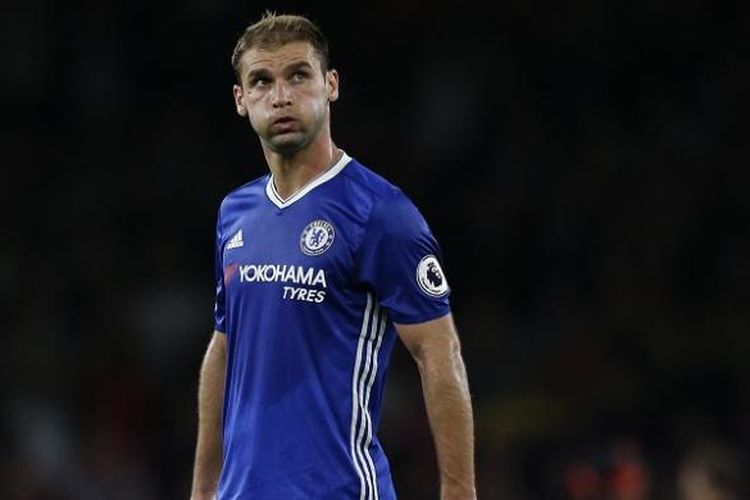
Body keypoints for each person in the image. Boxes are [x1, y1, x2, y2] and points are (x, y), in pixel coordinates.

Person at [190, 12, 476, 500]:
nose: (280, 96)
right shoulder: (234, 212)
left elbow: (438, 353)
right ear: (241, 100)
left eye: (298, 76)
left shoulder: (381, 214)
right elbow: (224, 346)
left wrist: (459, 492)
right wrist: (202, 488)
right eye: (261, 81)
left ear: (331, 85)